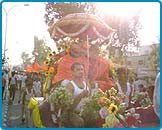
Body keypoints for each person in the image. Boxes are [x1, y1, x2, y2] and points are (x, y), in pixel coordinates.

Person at [65, 62, 89, 127]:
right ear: (72, 72)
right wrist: (80, 96)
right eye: (78, 70)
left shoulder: (86, 84)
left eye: (82, 69)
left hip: (86, 112)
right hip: (73, 113)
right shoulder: (70, 85)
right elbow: (69, 107)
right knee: (80, 122)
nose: (81, 71)